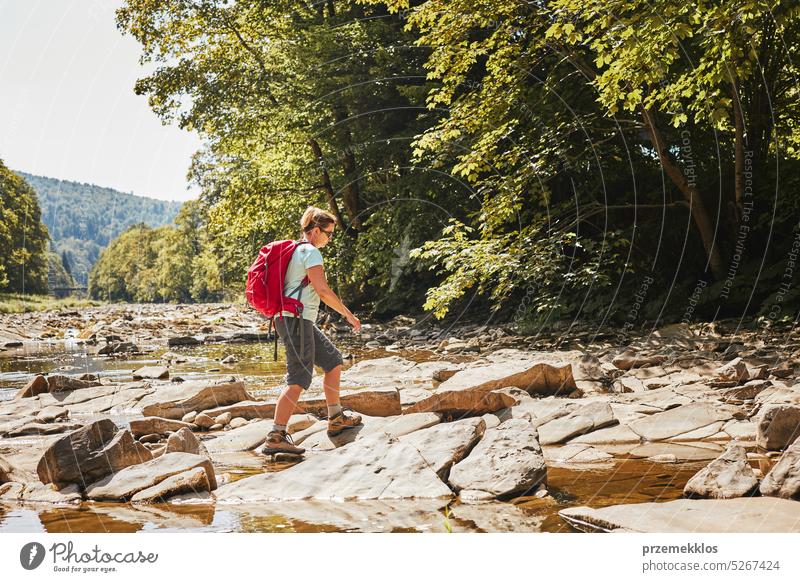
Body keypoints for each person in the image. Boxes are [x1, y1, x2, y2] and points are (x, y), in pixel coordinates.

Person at [261, 206, 363, 455]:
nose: (329, 238)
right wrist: (348, 314)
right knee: (299, 378)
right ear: (316, 230)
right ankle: (276, 435)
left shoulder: (296, 250)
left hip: (295, 319)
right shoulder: (310, 252)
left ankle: (336, 417)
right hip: (296, 321)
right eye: (328, 233)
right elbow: (323, 290)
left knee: (332, 360)